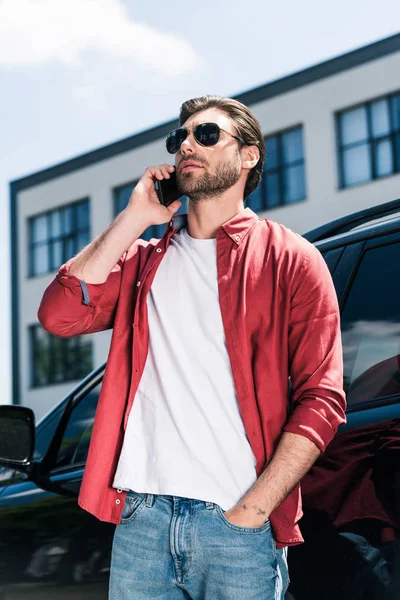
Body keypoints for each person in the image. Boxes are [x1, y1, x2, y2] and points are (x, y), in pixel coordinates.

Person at [38, 95, 346, 599]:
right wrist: (136, 216)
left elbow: (323, 399)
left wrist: (253, 510)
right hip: (143, 519)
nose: (186, 144)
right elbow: (59, 313)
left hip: (235, 524)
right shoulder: (141, 260)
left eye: (205, 135)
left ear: (248, 156)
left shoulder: (290, 258)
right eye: (179, 137)